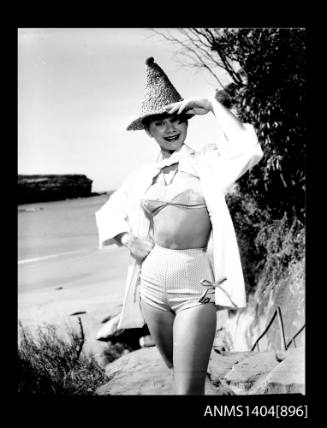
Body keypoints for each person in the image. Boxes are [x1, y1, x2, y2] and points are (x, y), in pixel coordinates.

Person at [95, 57, 263, 395]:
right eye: (160, 123)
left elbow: (248, 148)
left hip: (194, 288)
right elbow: (108, 213)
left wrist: (213, 106)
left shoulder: (207, 163)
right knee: (179, 372)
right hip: (151, 288)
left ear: (187, 120)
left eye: (177, 120)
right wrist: (128, 237)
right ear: (148, 129)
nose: (171, 129)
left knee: (187, 390)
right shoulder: (142, 177)